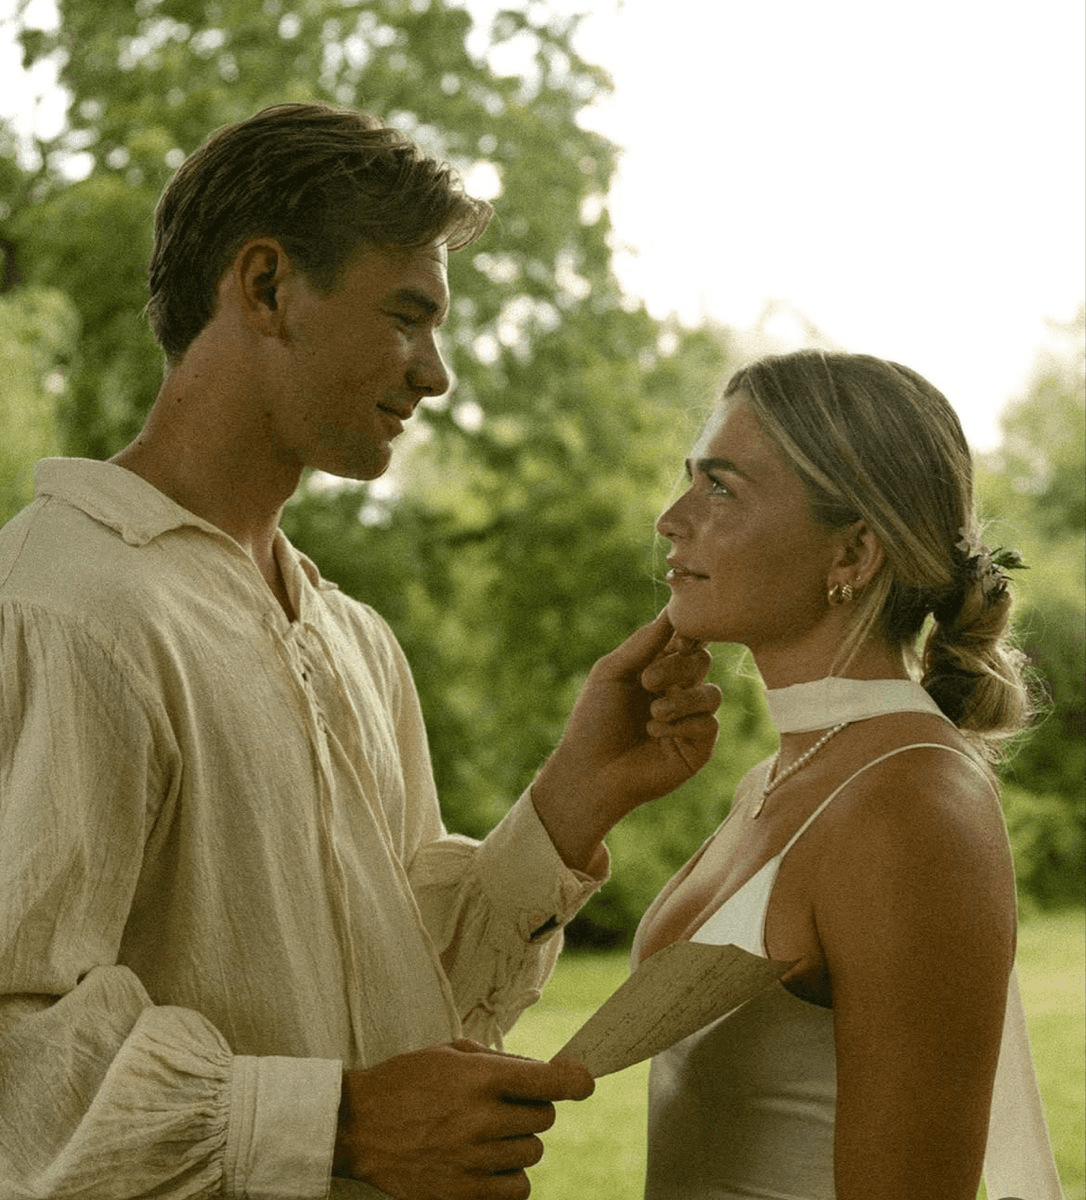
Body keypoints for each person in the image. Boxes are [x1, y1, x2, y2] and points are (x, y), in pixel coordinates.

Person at [0, 103, 721, 1199]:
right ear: (266, 287)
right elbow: (15, 1046)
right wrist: (335, 1124)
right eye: (406, 315)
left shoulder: (352, 638)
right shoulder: (64, 609)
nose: (436, 375)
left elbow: (405, 999)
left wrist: (572, 802)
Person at [630, 349, 1062, 1199]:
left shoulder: (911, 805)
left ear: (855, 552)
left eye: (720, 487)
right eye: (689, 481)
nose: (671, 519)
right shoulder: (779, 776)